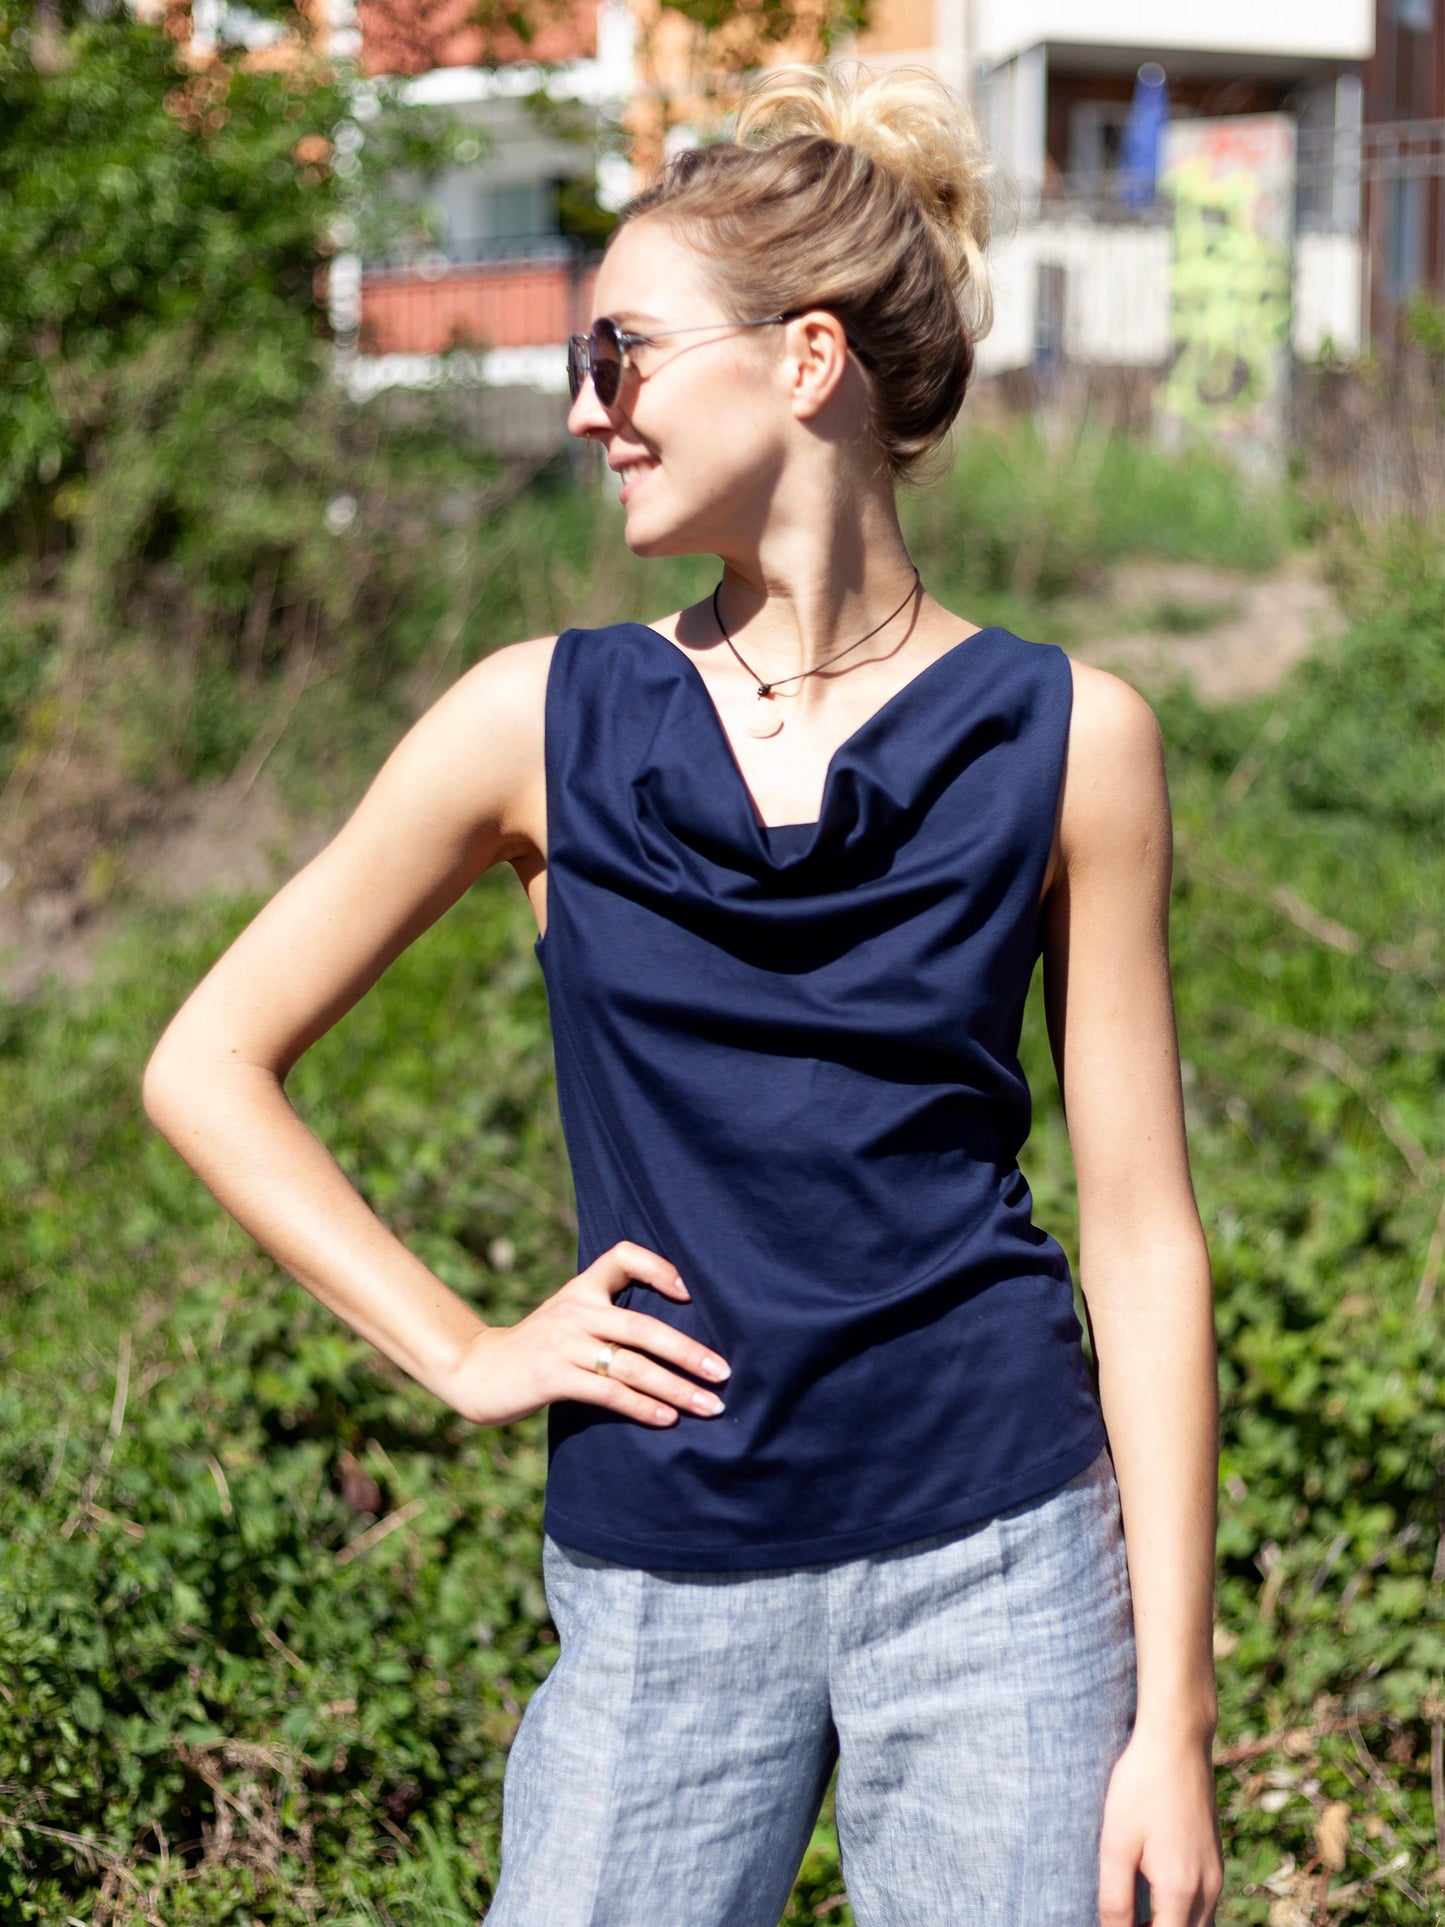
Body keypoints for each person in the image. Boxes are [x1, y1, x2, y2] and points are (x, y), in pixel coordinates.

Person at [143, 60, 1224, 1927]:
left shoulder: (1072, 739)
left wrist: (1176, 1724)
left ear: (805, 361)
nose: (586, 407)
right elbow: (206, 1062)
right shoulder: (530, 720)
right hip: (662, 1578)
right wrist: (464, 1352)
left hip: (1004, 1566)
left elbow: (1141, 1237)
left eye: (621, 352)